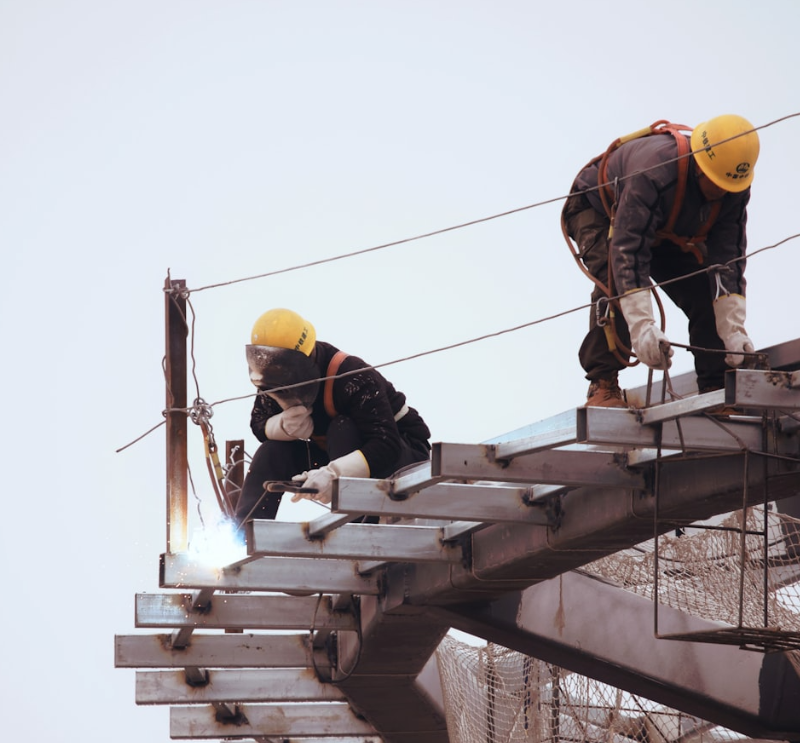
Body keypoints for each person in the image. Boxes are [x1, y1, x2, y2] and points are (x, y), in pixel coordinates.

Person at [561, 114, 761, 408]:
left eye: (727, 187)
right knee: (613, 279)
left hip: (662, 225)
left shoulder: (733, 186)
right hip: (599, 210)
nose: (720, 192)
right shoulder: (654, 172)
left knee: (704, 291)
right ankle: (603, 384)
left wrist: (733, 330)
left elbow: (727, 260)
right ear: (699, 165)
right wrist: (643, 328)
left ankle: (716, 387)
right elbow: (628, 253)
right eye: (715, 183)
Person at [233, 308, 432, 527]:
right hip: (338, 455)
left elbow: (386, 445)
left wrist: (333, 474)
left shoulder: (352, 376)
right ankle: (245, 534)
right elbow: (258, 423)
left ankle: (356, 528)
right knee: (272, 451)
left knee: (342, 428)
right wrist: (281, 427)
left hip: (402, 456)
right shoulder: (273, 380)